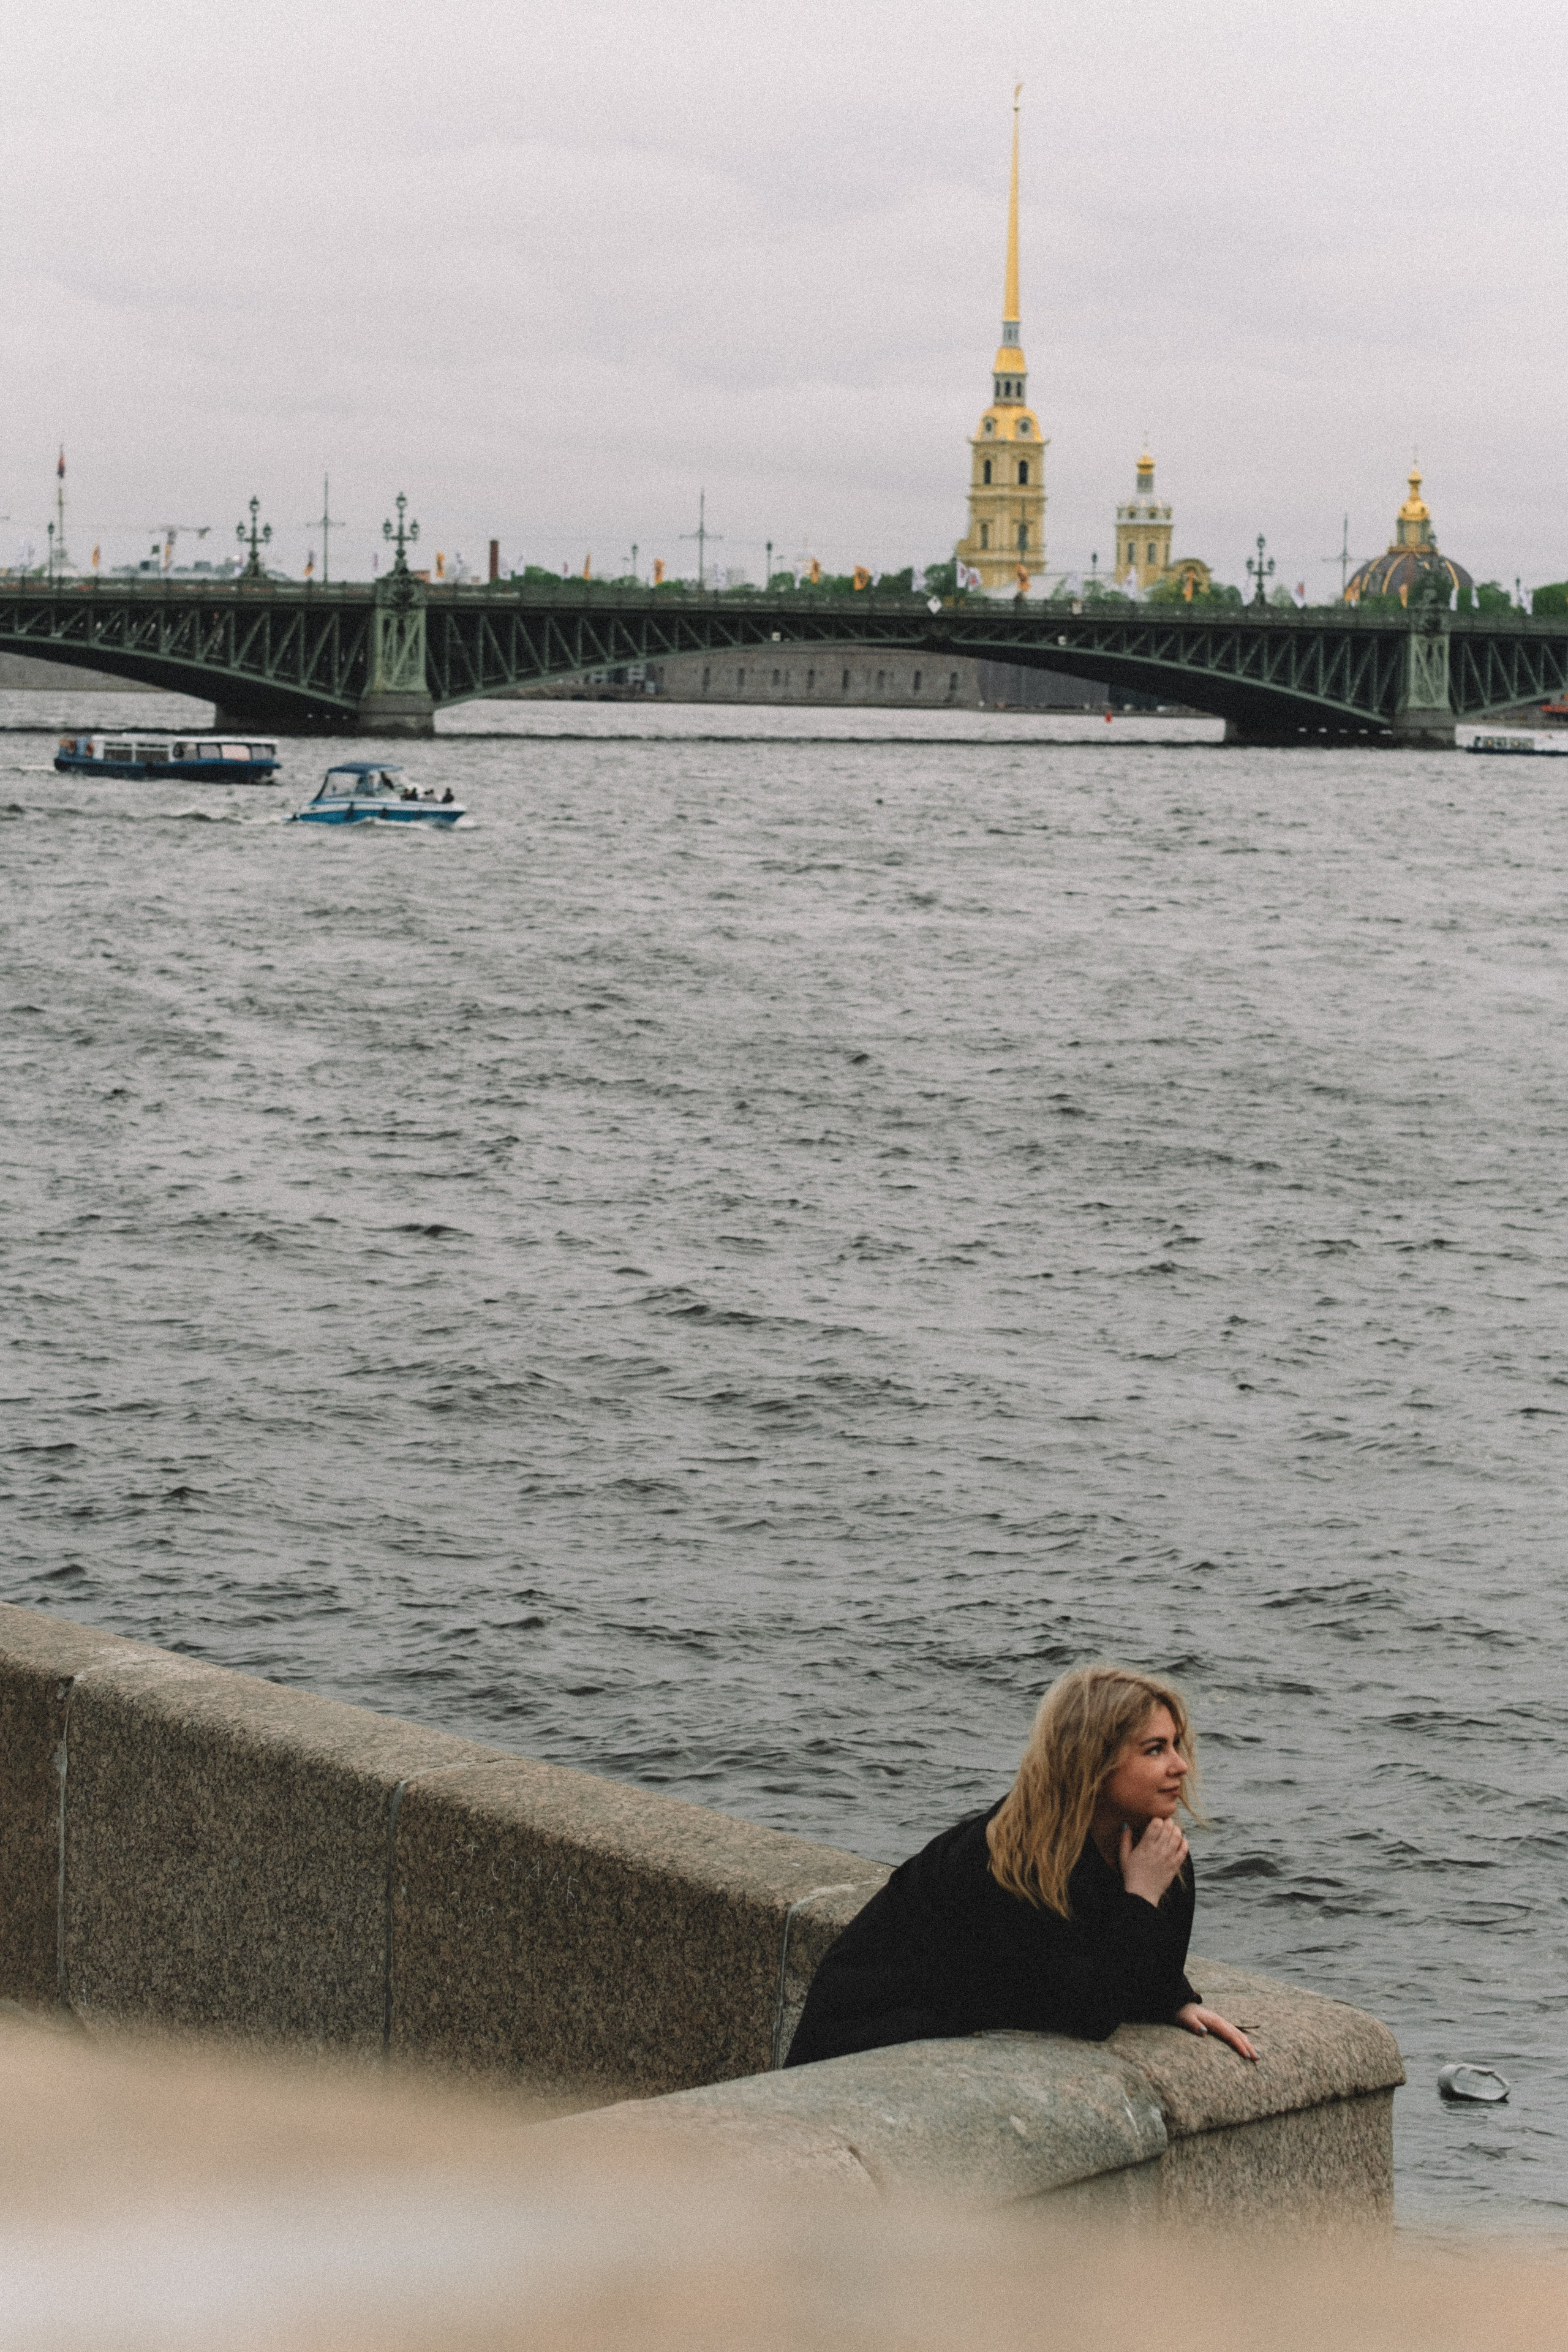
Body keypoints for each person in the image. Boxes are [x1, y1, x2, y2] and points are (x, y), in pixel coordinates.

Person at [785, 1664, 1257, 2067]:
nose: (1182, 1767)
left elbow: (1135, 1971)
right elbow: (1089, 2013)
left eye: (1177, 1746)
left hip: (960, 2043)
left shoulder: (1156, 1851)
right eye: (1155, 1749)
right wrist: (1140, 1897)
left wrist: (1172, 1998)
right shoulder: (1009, 1860)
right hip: (867, 2040)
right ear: (1092, 1761)